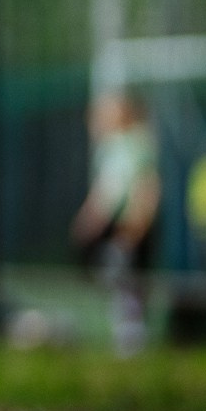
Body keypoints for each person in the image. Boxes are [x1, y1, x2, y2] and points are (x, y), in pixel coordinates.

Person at [71, 89, 160, 357]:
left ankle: (131, 337)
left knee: (127, 278)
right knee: (116, 276)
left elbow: (141, 188)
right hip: (118, 226)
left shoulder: (133, 146)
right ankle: (126, 333)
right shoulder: (114, 148)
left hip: (128, 226)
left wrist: (136, 222)